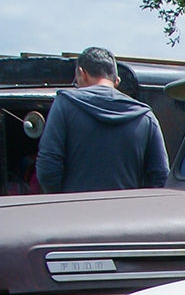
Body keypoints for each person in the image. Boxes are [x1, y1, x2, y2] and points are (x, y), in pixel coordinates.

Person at [35, 46, 169, 193]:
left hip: (74, 211)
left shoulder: (64, 105)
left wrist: (61, 199)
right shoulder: (146, 117)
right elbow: (161, 175)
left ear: (81, 73)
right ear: (116, 81)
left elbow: (48, 168)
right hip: (127, 212)